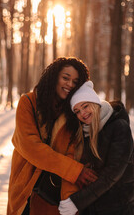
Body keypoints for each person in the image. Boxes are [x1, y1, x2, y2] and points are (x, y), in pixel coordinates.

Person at [7, 57, 98, 215]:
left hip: (54, 192)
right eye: (65, 78)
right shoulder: (28, 102)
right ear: (54, 76)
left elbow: (73, 152)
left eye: (75, 82)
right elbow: (31, 147)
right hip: (26, 186)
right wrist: (74, 170)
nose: (69, 84)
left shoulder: (73, 112)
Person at [58, 81, 134, 215]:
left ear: (95, 102)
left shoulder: (119, 127)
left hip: (118, 208)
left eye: (85, 106)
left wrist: (77, 201)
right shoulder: (85, 132)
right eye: (77, 111)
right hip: (93, 207)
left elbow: (113, 173)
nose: (82, 113)